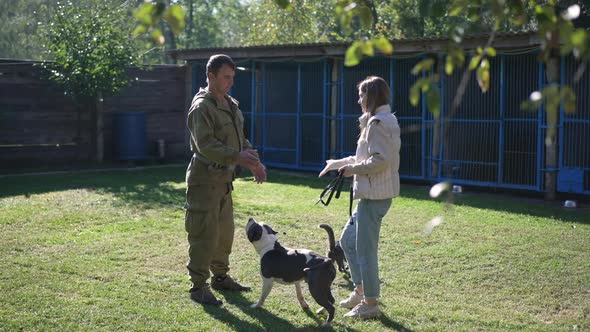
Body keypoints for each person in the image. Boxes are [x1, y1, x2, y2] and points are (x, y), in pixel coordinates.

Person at [185, 54, 267, 306]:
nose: (231, 82)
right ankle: (198, 287)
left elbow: (240, 140)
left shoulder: (230, 104)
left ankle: (220, 278)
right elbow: (206, 145)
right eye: (226, 77)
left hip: (223, 181)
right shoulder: (202, 107)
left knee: (224, 235)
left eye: (232, 77)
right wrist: (238, 157)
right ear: (211, 76)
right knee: (204, 235)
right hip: (204, 182)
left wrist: (254, 161)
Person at [319, 76, 400, 319]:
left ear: (372, 96)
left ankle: (370, 303)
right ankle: (360, 290)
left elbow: (379, 160)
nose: (359, 99)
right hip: (370, 195)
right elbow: (366, 157)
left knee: (365, 251)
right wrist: (338, 164)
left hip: (375, 197)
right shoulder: (375, 121)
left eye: (362, 94)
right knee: (347, 241)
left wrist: (352, 170)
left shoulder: (378, 123)